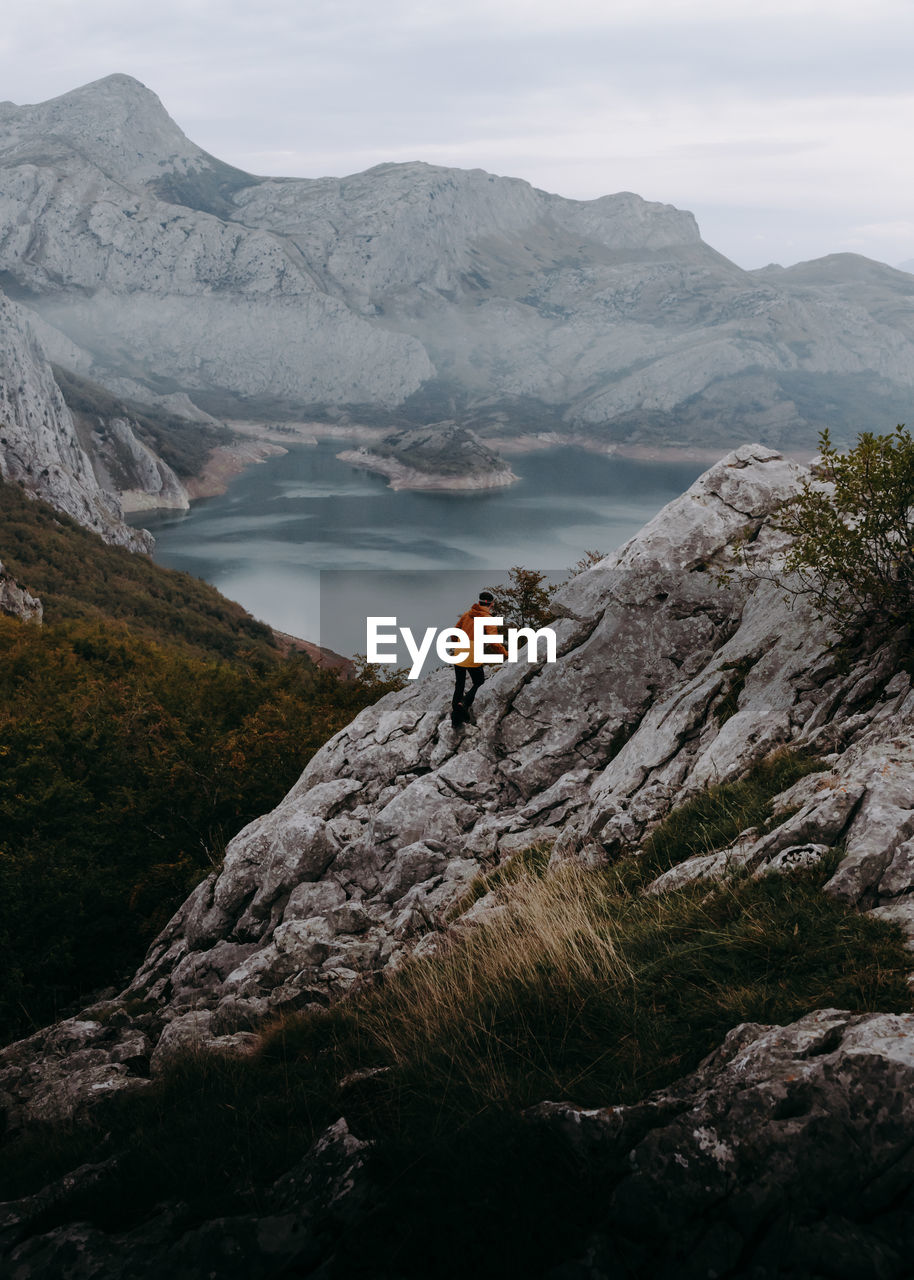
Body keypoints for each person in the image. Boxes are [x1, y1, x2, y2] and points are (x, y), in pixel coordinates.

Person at [451, 590, 508, 727]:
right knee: (479, 682)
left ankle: (456, 717)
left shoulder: (467, 614)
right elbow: (494, 642)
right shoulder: (487, 618)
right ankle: (463, 704)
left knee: (459, 684)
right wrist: (506, 654)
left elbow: (455, 632)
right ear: (491, 604)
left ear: (479, 602)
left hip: (459, 651)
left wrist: (456, 643)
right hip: (473, 653)